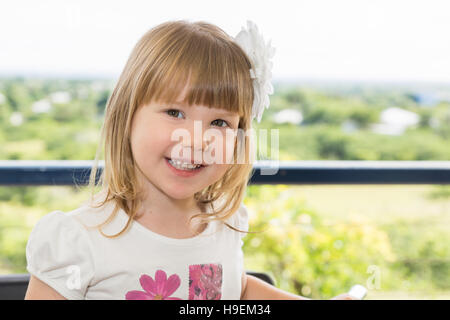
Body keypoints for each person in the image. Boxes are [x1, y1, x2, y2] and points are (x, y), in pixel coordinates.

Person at [24, 19, 357, 300]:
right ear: (127, 117)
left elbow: (234, 291)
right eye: (174, 112)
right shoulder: (79, 240)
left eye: (220, 123)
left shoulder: (223, 227)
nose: (197, 139)